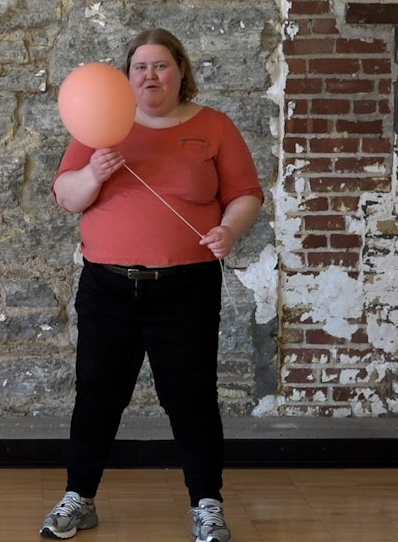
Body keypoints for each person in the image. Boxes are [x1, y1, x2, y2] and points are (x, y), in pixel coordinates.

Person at [40, 28, 264, 542]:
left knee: (191, 399)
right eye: (140, 67)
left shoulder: (214, 126)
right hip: (108, 289)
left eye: (161, 65)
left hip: (186, 289)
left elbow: (247, 194)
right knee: (97, 398)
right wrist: (94, 172)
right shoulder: (100, 130)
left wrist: (229, 229)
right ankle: (80, 498)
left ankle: (207, 505)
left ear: (181, 71)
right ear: (126, 77)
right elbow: (67, 197)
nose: (150, 75)